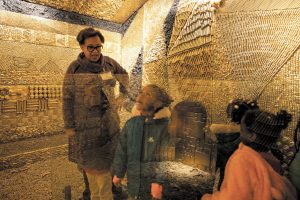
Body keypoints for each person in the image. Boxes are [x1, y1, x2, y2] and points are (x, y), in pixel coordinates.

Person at [63, 27, 129, 200]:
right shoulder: (74, 68)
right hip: (85, 125)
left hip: (109, 123)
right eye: (90, 47)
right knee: (87, 159)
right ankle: (89, 193)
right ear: (82, 48)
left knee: (113, 155)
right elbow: (67, 98)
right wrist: (69, 126)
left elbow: (124, 75)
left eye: (98, 46)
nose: (95, 51)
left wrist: (122, 94)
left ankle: (114, 189)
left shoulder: (109, 63)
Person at [202, 109, 297, 200]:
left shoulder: (242, 159)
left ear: (251, 136)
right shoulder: (273, 158)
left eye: (242, 130)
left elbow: (234, 197)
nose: (240, 132)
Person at [112, 84, 173, 200]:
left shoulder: (167, 127)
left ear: (159, 103)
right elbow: (122, 150)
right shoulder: (131, 124)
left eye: (148, 94)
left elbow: (167, 158)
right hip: (133, 185)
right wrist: (118, 173)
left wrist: (158, 182)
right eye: (141, 92)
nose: (140, 96)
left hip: (153, 189)